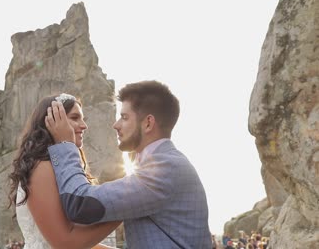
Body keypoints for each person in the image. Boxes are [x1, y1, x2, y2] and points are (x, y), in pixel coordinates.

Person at [45, 80, 211, 248]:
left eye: (124, 117)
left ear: (148, 123)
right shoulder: (162, 165)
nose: (115, 125)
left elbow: (80, 203)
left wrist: (65, 145)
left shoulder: (166, 168)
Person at [8, 94, 120, 249]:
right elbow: (65, 244)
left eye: (82, 119)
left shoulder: (56, 167)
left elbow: (79, 240)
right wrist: (125, 208)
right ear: (52, 122)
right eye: (75, 118)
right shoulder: (41, 168)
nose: (84, 126)